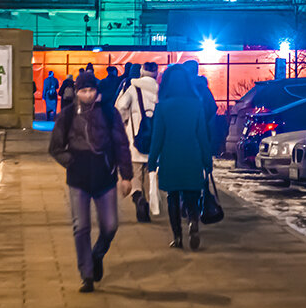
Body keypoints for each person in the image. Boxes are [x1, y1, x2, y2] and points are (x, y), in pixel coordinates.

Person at [48, 70, 133, 293]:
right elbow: (55, 148)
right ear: (77, 92)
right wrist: (72, 161)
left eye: (91, 90)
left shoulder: (108, 112)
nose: (87, 95)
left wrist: (126, 176)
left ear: (97, 91)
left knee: (110, 225)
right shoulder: (67, 115)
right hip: (78, 179)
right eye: (83, 91)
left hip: (105, 176)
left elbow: (121, 144)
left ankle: (97, 255)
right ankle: (86, 274)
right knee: (81, 226)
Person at [147, 64, 213, 251]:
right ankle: (193, 222)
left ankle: (177, 237)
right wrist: (207, 161)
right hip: (192, 155)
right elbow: (202, 135)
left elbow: (157, 138)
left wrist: (152, 161)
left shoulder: (163, 107)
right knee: (192, 196)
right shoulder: (196, 105)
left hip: (170, 156)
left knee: (172, 197)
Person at [115, 62, 159, 223]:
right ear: (156, 74)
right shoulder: (160, 91)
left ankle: (139, 197)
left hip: (135, 141)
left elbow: (120, 107)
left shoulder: (133, 89)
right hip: (155, 142)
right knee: (151, 174)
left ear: (142, 72)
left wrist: (125, 121)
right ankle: (151, 199)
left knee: (136, 175)